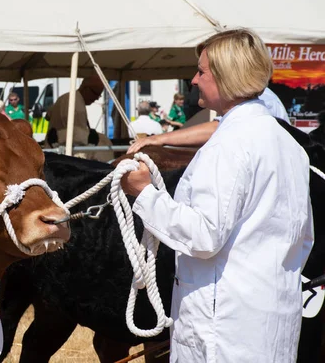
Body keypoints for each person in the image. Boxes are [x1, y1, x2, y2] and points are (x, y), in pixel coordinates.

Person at [121, 28, 313, 362]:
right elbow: (303, 238)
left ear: (225, 76)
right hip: (273, 319)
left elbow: (204, 235)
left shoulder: (228, 145)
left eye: (201, 71)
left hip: (222, 327)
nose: (194, 80)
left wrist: (144, 194)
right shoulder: (289, 146)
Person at [128, 87, 292, 154]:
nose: (194, 80)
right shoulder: (258, 98)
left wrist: (160, 139)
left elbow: (218, 129)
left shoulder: (257, 99)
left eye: (202, 72)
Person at [45, 74, 104, 146]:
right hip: (63, 150)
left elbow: (47, 116)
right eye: (96, 94)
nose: (97, 98)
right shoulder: (78, 108)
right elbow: (81, 139)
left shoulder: (65, 97)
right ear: (86, 89)